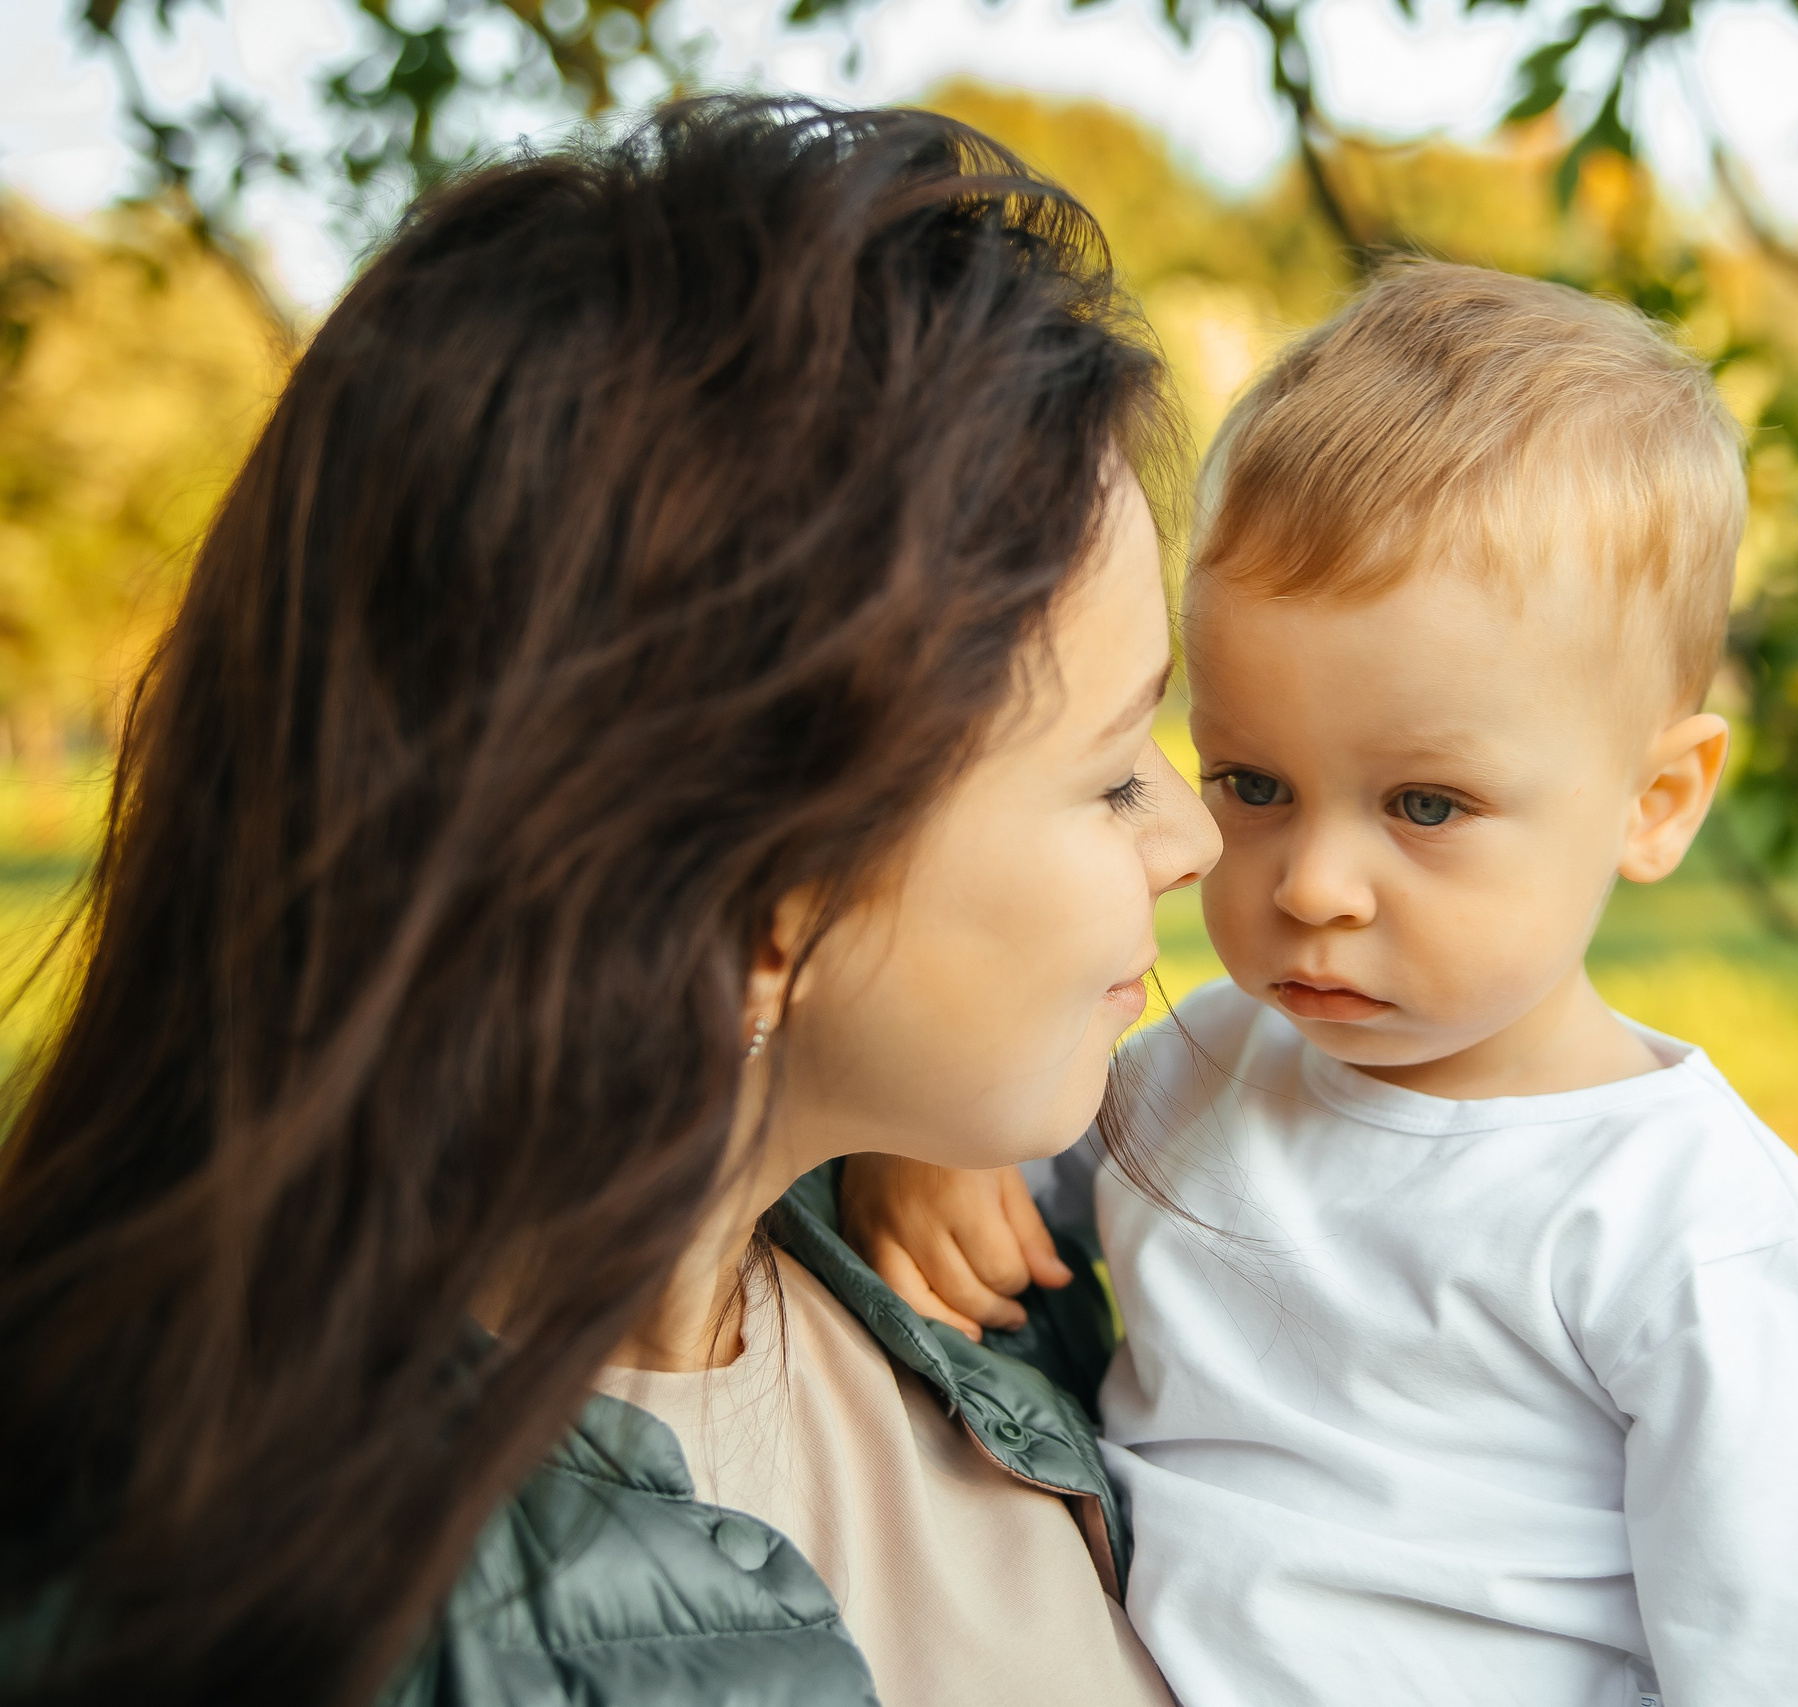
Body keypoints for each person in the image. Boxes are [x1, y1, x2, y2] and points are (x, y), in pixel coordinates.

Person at [0, 98, 1218, 1707]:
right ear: (764, 889)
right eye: (1116, 767)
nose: (1194, 837)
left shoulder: (948, 1282)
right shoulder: (309, 1622)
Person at [846, 261, 1798, 1706]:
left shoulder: (1704, 1251)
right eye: (1251, 783)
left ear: (1656, 800)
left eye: (1425, 806)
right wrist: (926, 1159)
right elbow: (977, 1143)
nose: (1311, 884)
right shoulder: (1191, 1071)